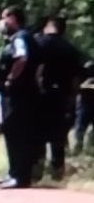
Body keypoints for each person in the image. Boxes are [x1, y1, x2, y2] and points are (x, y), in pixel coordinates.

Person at [0, 7, 41, 189]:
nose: (2, 22)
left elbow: (22, 58)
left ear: (13, 18)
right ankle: (14, 172)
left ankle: (20, 176)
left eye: (4, 17)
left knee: (17, 133)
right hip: (24, 92)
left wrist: (11, 78)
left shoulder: (20, 37)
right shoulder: (21, 37)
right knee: (15, 133)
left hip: (19, 94)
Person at [34, 16, 83, 180]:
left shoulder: (40, 43)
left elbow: (38, 69)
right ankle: (57, 170)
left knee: (38, 133)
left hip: (42, 95)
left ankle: (37, 169)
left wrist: (37, 87)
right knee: (59, 135)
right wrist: (72, 97)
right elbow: (76, 78)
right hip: (62, 95)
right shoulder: (71, 49)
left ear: (49, 26)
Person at [75, 60, 94, 154]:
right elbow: (78, 88)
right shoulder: (81, 78)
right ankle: (78, 149)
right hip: (84, 107)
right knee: (80, 129)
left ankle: (87, 149)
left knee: (81, 129)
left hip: (87, 107)